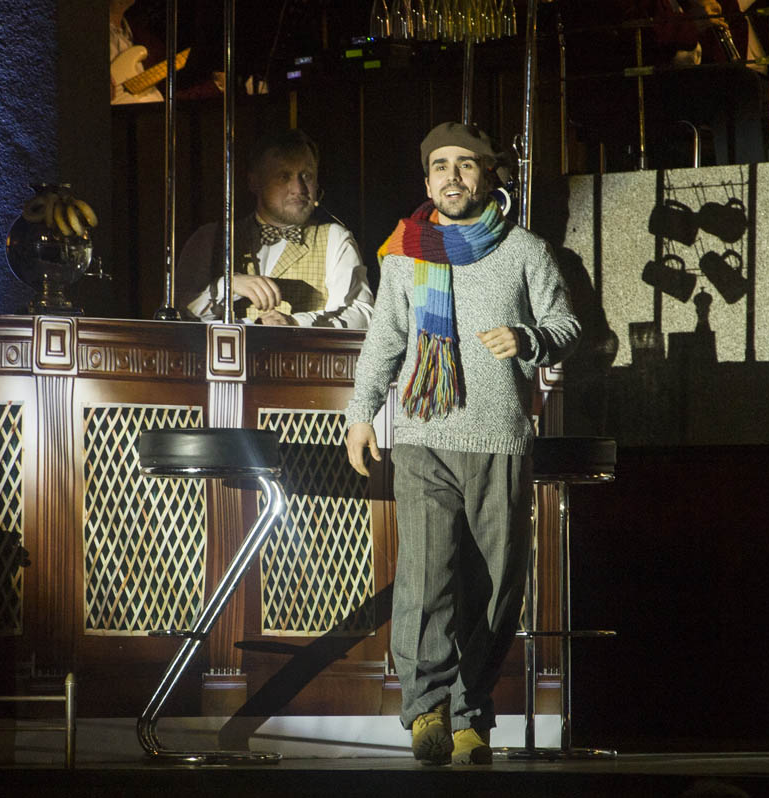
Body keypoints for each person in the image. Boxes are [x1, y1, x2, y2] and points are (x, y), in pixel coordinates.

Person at [343, 122, 580, 765]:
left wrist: (529, 339)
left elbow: (565, 324)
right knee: (426, 579)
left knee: (496, 586)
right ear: (427, 182)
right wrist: (362, 414)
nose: (452, 176)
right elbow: (385, 341)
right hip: (425, 436)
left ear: (487, 175)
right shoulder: (404, 253)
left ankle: (471, 711)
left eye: (466, 164)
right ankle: (426, 710)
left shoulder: (525, 250)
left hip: (499, 437)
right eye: (440, 166)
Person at [181, 128, 373, 328]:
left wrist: (296, 322)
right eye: (284, 176)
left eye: (307, 176)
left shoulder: (335, 238)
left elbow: (362, 315)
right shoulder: (211, 239)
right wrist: (227, 286)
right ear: (254, 182)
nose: (298, 189)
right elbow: (179, 314)